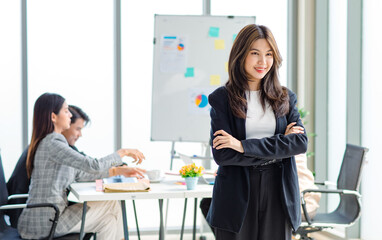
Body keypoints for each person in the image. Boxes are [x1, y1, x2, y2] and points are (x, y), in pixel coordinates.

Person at [206, 24, 308, 240]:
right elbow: (223, 154)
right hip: (236, 195)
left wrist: (242, 145)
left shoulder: (285, 98)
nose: (263, 62)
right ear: (241, 55)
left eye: (269, 54)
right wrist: (279, 146)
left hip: (278, 192)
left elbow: (299, 143)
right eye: (255, 54)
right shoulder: (221, 99)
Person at [17, 93, 145, 240]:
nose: (70, 115)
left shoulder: (52, 144)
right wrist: (123, 152)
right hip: (46, 222)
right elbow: (92, 165)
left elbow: (82, 174)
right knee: (112, 204)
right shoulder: (53, 143)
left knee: (107, 221)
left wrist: (117, 171)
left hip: (47, 218)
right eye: (66, 111)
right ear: (53, 117)